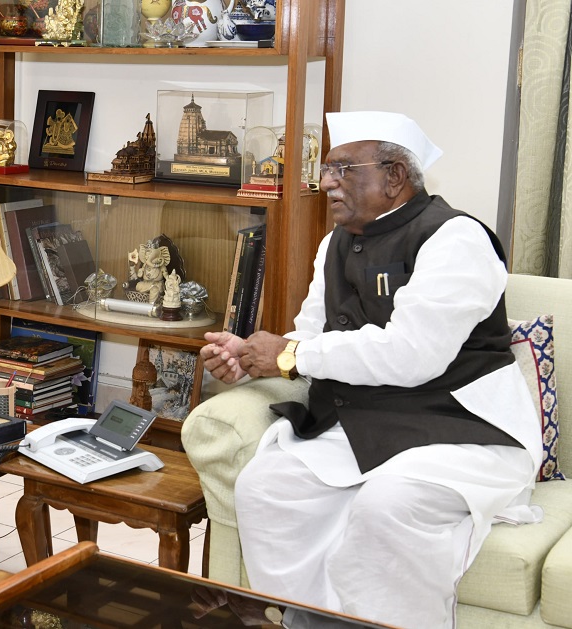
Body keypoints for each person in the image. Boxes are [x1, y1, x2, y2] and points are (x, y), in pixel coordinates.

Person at [199, 111, 543, 628]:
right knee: (266, 486)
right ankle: (304, 620)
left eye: (343, 169)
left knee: (388, 504)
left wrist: (291, 355)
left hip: (459, 429)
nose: (327, 183)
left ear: (395, 176)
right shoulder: (333, 243)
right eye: (326, 170)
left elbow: (412, 353)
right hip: (364, 421)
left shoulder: (456, 239)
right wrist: (252, 358)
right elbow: (310, 335)